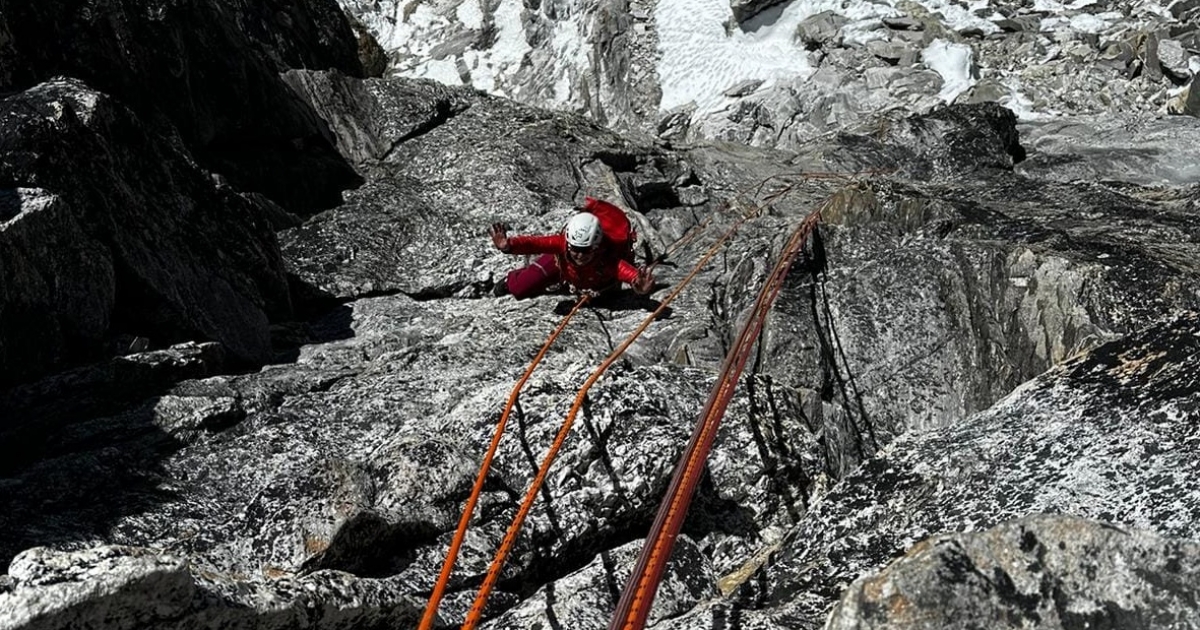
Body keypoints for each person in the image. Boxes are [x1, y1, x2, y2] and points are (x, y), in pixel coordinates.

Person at [490, 200, 654, 300]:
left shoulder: (607, 259)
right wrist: (508, 245)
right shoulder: (561, 243)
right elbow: (535, 244)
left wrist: (639, 286)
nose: (580, 255)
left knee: (606, 297)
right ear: (569, 243)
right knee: (520, 287)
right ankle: (509, 280)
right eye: (575, 248)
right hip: (561, 265)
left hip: (592, 280)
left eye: (586, 249)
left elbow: (626, 272)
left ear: (596, 247)